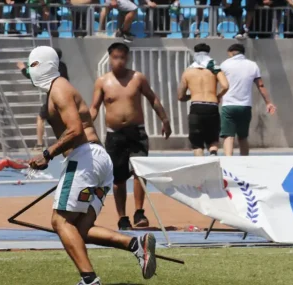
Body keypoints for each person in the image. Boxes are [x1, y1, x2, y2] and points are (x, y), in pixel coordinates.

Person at [27, 46, 157, 285]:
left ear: (46, 64)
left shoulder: (59, 88)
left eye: (33, 65)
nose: (30, 70)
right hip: (97, 161)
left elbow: (75, 130)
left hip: (85, 158)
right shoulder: (56, 88)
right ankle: (136, 244)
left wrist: (48, 154)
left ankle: (89, 280)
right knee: (80, 229)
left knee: (60, 221)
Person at [90, 42, 172, 230]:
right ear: (110, 58)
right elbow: (94, 107)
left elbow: (153, 98)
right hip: (115, 135)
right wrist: (86, 127)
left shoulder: (137, 78)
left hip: (137, 132)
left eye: (122, 57)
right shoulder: (103, 81)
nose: (119, 61)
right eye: (115, 57)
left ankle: (139, 212)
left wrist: (165, 119)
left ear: (127, 58)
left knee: (139, 172)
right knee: (118, 179)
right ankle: (122, 217)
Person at [220, 44, 276, 156]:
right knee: (243, 137)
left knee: (228, 136)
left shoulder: (225, 64)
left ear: (231, 52)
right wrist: (268, 103)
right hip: (245, 106)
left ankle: (228, 162)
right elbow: (260, 85)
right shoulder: (252, 65)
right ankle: (244, 162)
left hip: (228, 105)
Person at [177, 43, 229, 156]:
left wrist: (192, 95)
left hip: (196, 106)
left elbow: (180, 96)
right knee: (213, 138)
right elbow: (225, 86)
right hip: (212, 106)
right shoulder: (214, 68)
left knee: (197, 143)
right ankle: (213, 152)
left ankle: (200, 166)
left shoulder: (188, 72)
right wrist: (218, 96)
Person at [16, 48, 69, 150]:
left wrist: (23, 68)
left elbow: (31, 74)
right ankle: (65, 141)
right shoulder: (62, 66)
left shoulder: (50, 66)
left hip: (53, 97)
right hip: (64, 97)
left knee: (41, 118)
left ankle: (40, 144)